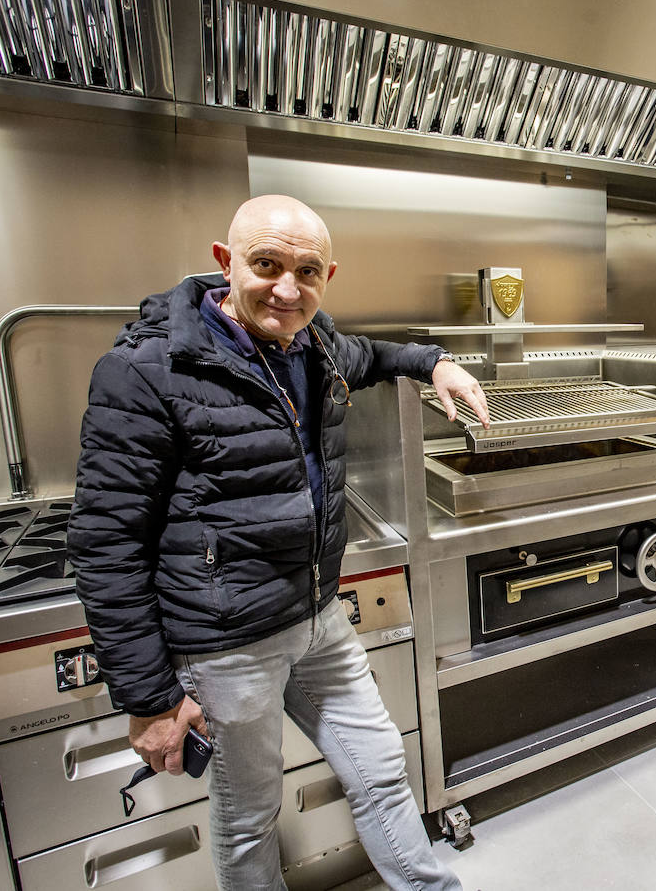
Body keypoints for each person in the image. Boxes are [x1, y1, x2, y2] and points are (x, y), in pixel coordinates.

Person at [66, 195, 488, 890]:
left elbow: (377, 354)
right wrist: (146, 699)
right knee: (249, 817)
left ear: (328, 276)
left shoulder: (313, 342)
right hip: (228, 645)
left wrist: (436, 362)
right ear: (225, 262)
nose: (288, 290)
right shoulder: (147, 370)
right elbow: (106, 545)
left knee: (383, 772)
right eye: (267, 264)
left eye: (308, 272)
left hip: (319, 620)